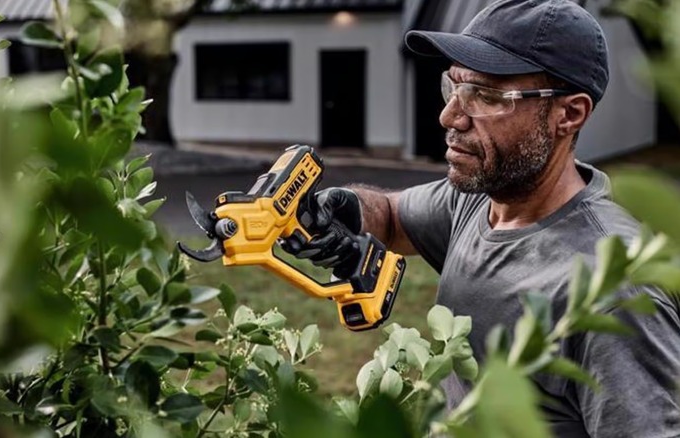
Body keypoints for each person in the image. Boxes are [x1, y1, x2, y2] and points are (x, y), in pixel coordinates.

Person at [284, 0, 680, 436]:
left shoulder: (615, 293)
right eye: (453, 87)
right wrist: (348, 209)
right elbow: (394, 217)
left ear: (569, 114)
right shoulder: (481, 198)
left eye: (486, 96)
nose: (449, 116)